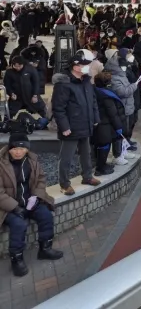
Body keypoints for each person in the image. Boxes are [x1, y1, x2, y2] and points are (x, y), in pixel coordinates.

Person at [0, 133, 63, 277]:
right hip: (8, 206)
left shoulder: (32, 162)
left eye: (22, 148)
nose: (18, 152)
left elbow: (41, 180)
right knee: (19, 225)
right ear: (9, 148)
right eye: (14, 148)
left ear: (27, 149)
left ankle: (45, 249)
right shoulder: (1, 164)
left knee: (46, 215)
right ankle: (16, 259)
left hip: (29, 202)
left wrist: (35, 197)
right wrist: (15, 207)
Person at [52, 50, 102, 196]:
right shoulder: (64, 84)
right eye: (84, 65)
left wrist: (95, 118)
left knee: (86, 153)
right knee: (66, 157)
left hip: (85, 124)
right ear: (76, 67)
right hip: (71, 127)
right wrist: (65, 127)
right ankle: (64, 184)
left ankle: (87, 176)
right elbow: (58, 108)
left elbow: (93, 101)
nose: (88, 67)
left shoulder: (86, 81)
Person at [93, 71, 126, 176]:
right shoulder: (106, 95)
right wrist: (119, 127)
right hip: (105, 125)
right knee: (104, 146)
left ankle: (101, 165)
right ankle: (101, 168)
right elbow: (113, 114)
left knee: (98, 146)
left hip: (97, 124)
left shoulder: (94, 91)